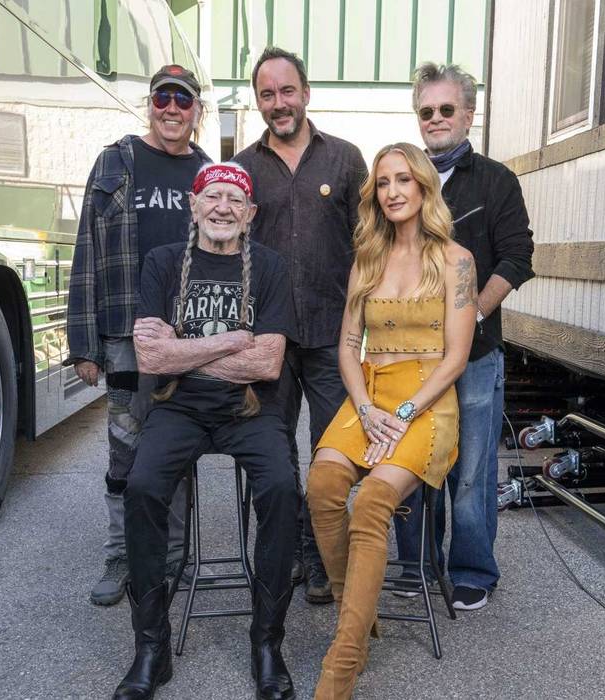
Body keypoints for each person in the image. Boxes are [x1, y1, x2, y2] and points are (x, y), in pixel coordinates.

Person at [115, 163, 300, 700]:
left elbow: (268, 365)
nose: (222, 207)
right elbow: (151, 357)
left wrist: (183, 352)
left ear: (250, 214)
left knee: (283, 489)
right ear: (193, 206)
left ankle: (267, 642)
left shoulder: (269, 267)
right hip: (178, 409)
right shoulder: (165, 263)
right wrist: (233, 340)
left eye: (234, 199)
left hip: (251, 409)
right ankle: (151, 646)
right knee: (144, 486)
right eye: (211, 196)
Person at [306, 144, 476, 699]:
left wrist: (401, 415)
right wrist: (364, 407)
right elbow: (349, 344)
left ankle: (344, 657)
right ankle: (355, 610)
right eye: (383, 183)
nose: (393, 191)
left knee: (374, 501)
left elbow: (455, 358)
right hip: (370, 396)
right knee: (323, 485)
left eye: (404, 180)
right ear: (374, 194)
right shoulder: (368, 257)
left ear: (424, 187)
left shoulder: (457, 262)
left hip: (426, 402)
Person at [66, 65, 210, 607]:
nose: (171, 108)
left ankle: (172, 558)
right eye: (162, 98)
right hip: (126, 332)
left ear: (196, 111)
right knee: (125, 450)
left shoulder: (207, 173)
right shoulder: (115, 162)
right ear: (150, 104)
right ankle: (121, 554)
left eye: (183, 100)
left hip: (188, 337)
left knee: (175, 449)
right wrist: (85, 345)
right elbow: (88, 250)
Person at [392, 62, 534, 612]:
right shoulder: (403, 178)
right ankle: (415, 564)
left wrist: (472, 312)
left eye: (446, 109)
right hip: (409, 357)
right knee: (413, 461)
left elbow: (517, 257)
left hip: (474, 355)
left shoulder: (497, 181)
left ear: (469, 114)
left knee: (470, 470)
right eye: (426, 111)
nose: (435, 119)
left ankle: (473, 567)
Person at [233, 46, 368, 605]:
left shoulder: (345, 160)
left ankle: (319, 557)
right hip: (268, 340)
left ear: (306, 93)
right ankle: (282, 552)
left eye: (287, 91)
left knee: (330, 455)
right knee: (273, 453)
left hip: (333, 336)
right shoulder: (242, 167)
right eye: (268, 94)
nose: (279, 103)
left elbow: (369, 246)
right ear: (258, 102)